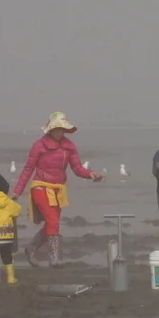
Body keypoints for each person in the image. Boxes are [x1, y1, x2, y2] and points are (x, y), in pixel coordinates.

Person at [13, 112, 103, 267]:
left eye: (62, 129)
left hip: (58, 190)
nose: (60, 132)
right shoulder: (39, 146)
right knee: (53, 221)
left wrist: (91, 174)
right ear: (50, 129)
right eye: (57, 129)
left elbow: (77, 168)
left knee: (51, 225)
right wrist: (17, 191)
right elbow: (28, 169)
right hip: (40, 187)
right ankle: (54, 260)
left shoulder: (69, 147)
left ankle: (31, 248)